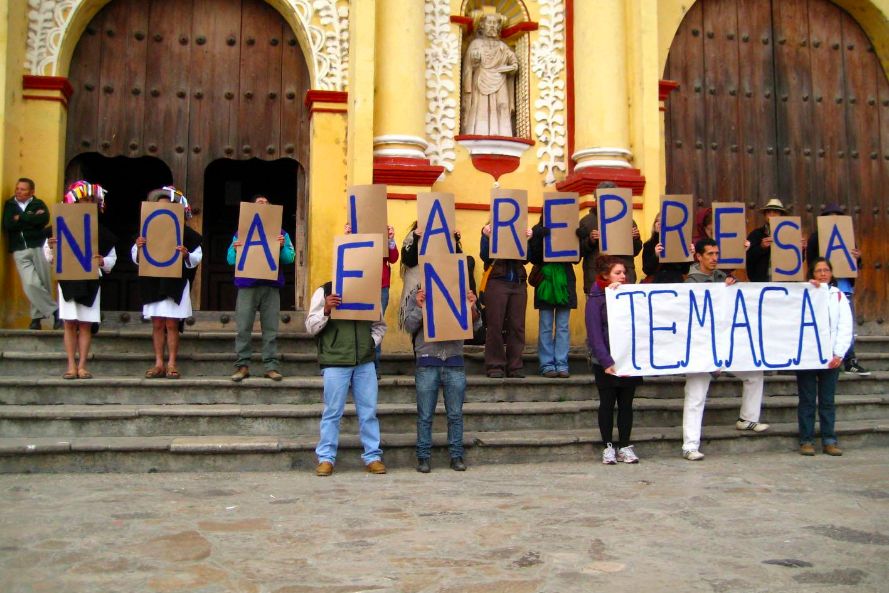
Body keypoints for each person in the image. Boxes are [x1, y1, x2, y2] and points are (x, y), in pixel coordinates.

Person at [682, 238, 769, 461]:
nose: (714, 258)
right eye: (709, 254)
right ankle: (690, 445)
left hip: (725, 347)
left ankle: (748, 418)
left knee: (754, 373)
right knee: (696, 396)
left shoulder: (723, 278)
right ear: (698, 256)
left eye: (716, 253)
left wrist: (732, 284)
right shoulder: (689, 282)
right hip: (701, 348)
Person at [306, 281, 387, 476]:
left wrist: (369, 344)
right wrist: (326, 308)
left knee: (368, 411)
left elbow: (379, 325)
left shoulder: (368, 289)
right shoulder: (324, 290)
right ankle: (325, 458)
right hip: (335, 360)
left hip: (364, 362)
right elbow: (310, 326)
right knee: (332, 412)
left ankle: (373, 456)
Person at [402, 285, 481, 473]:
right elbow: (409, 326)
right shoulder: (418, 293)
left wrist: (471, 307)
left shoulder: (461, 290)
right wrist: (420, 306)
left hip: (454, 360)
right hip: (427, 360)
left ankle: (456, 456)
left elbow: (477, 327)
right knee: (425, 415)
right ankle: (423, 457)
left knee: (455, 414)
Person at [45, 181, 116, 379]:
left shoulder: (100, 231)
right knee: (69, 323)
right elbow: (49, 258)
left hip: (90, 279)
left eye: (89, 200)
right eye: (82, 200)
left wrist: (102, 261)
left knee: (85, 324)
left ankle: (83, 365)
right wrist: (52, 247)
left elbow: (112, 259)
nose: (85, 203)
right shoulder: (59, 227)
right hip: (68, 278)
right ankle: (70, 365)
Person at [131, 186, 202, 380]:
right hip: (152, 281)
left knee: (172, 323)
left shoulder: (188, 234)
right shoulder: (147, 231)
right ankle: (158, 363)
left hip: (175, 283)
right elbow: (136, 258)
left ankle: (171, 363)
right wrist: (139, 248)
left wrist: (186, 254)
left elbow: (196, 257)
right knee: (157, 323)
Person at [228, 195, 296, 382]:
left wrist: (282, 247)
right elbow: (230, 260)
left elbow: (290, 258)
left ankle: (271, 366)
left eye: (266, 203)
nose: (262, 205)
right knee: (243, 327)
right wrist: (235, 249)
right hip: (247, 285)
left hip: (271, 286)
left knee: (271, 328)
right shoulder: (240, 232)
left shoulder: (281, 233)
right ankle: (242, 365)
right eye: (258, 203)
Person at [586, 255, 642, 464]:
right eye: (618, 273)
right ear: (605, 275)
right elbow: (594, 332)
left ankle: (625, 445)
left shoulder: (629, 295)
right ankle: (608, 445)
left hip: (628, 358)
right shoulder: (597, 297)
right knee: (607, 404)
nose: (623, 276)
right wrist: (605, 360)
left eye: (624, 272)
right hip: (606, 361)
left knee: (626, 404)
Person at [796, 258, 853, 456]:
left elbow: (845, 326)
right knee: (807, 400)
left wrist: (839, 354)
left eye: (826, 270)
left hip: (831, 358)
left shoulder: (837, 296)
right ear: (812, 274)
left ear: (831, 273)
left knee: (827, 400)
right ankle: (806, 440)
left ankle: (829, 440)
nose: (822, 274)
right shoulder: (803, 293)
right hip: (808, 357)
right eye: (818, 270)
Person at [805, 203, 868, 376]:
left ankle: (849, 360)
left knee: (846, 324)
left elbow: (854, 264)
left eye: (836, 215)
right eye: (829, 215)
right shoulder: (815, 237)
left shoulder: (847, 236)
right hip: (823, 289)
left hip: (844, 287)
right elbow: (810, 261)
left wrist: (858, 258)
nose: (833, 218)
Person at [2, 177, 60, 330]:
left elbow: (43, 219)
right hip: (19, 249)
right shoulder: (10, 205)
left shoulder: (38, 203)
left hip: (38, 247)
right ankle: (55, 311)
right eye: (17, 188)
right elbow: (8, 224)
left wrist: (20, 218)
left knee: (44, 282)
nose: (18, 191)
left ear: (31, 192)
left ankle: (36, 320)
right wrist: (31, 218)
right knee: (30, 283)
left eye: (22, 189)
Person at [343, 223, 398, 379]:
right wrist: (347, 237)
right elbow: (346, 255)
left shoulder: (382, 230)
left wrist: (391, 240)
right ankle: (355, 365)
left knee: (376, 325)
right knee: (357, 325)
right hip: (358, 283)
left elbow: (393, 258)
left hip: (380, 286)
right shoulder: (354, 228)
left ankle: (374, 366)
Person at [479, 221, 532, 378]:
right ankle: (495, 365)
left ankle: (514, 366)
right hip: (497, 281)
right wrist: (486, 237)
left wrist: (527, 240)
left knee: (517, 326)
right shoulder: (490, 228)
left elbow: (527, 258)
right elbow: (484, 256)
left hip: (518, 282)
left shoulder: (519, 228)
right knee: (495, 324)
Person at [529, 217, 578, 378]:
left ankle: (562, 364)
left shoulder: (571, 227)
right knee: (546, 326)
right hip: (546, 282)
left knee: (563, 326)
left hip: (564, 283)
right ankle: (546, 364)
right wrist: (537, 237)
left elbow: (576, 258)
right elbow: (533, 257)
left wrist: (579, 237)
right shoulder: (538, 229)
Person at [577, 181, 643, 292]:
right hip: (596, 277)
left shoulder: (628, 221)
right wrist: (591, 241)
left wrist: (635, 239)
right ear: (596, 200)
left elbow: (636, 251)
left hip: (624, 278)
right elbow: (578, 252)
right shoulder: (587, 222)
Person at [461, 10, 518, 136]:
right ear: (482, 26)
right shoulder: (476, 43)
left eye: (495, 23)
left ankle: (503, 133)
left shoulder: (502, 46)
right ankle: (479, 132)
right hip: (481, 79)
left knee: (502, 105)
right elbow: (469, 65)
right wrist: (474, 61)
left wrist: (513, 67)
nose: (492, 26)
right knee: (481, 107)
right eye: (489, 23)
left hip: (500, 79)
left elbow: (513, 61)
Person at [641, 212, 692, 283]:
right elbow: (646, 270)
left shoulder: (678, 243)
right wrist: (655, 256)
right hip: (656, 283)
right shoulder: (648, 244)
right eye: (657, 221)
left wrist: (689, 254)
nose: (659, 223)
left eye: (663, 221)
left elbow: (685, 270)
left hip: (675, 282)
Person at [746, 198, 789, 282]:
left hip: (784, 282)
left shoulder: (789, 235)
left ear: (782, 215)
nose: (772, 215)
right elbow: (748, 257)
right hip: (762, 283)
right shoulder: (755, 234)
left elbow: (797, 262)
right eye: (769, 212)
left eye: (775, 212)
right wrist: (761, 247)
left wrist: (800, 249)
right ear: (765, 216)